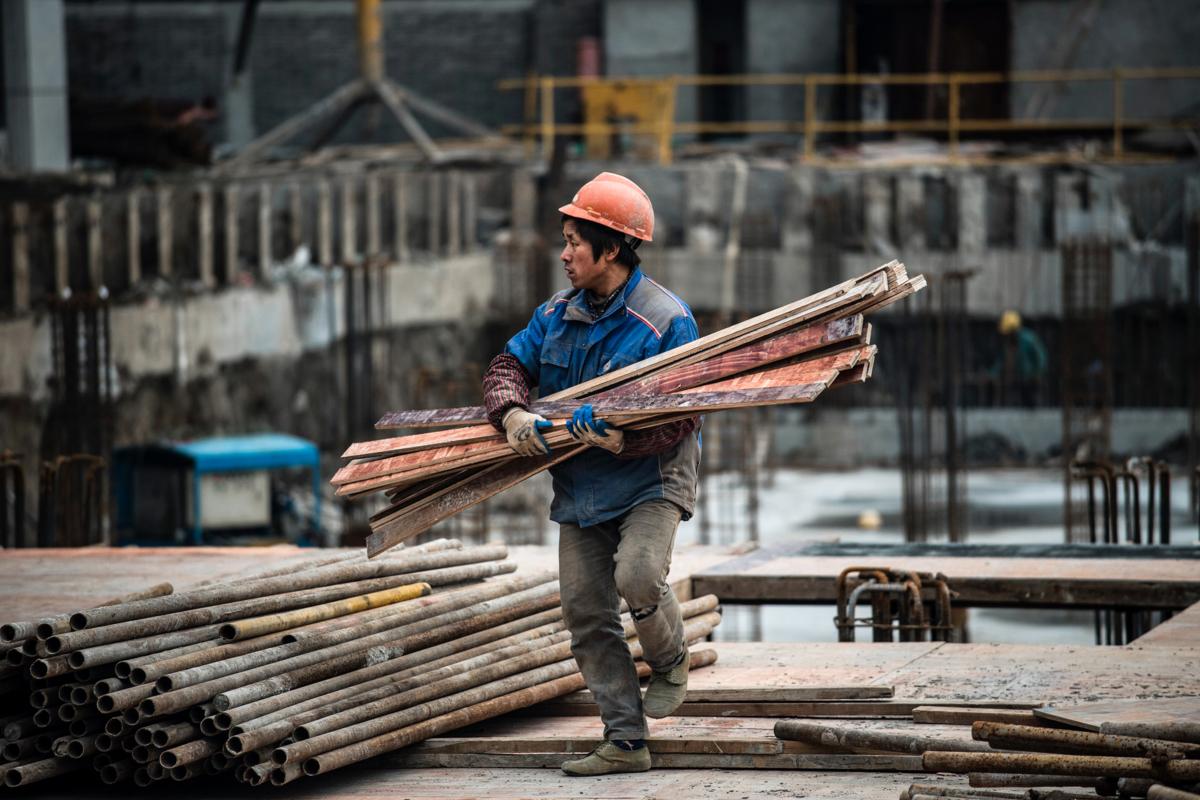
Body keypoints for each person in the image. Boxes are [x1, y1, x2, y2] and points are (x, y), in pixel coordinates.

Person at [481, 172, 701, 776]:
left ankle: (673, 655)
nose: (565, 253)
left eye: (576, 240)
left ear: (611, 248)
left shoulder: (665, 321)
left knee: (637, 575)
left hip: (652, 477)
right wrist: (513, 412)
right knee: (584, 611)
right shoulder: (555, 315)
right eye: (565, 238)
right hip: (582, 487)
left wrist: (627, 437)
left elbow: (684, 416)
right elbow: (508, 364)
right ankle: (626, 743)